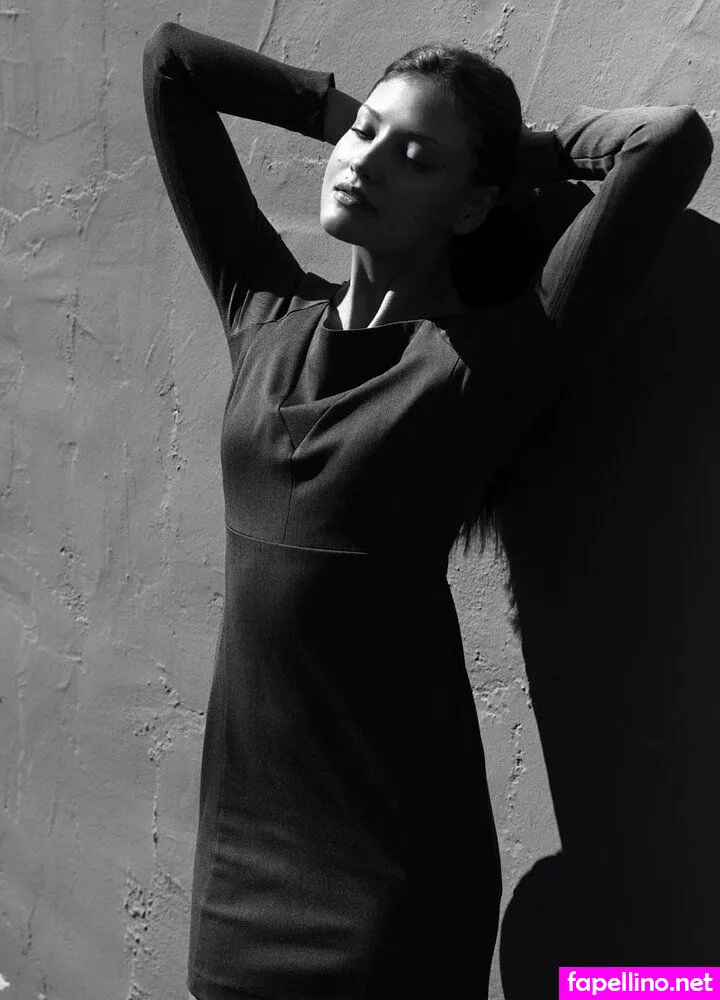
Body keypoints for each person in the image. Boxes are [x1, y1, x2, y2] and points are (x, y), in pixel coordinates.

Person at [141, 19, 712, 1000]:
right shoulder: (263, 316)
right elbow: (171, 65)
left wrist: (518, 152)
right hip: (239, 870)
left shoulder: (481, 361)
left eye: (415, 158)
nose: (365, 161)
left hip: (388, 888)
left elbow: (667, 142)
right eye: (364, 136)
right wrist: (339, 110)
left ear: (472, 204)